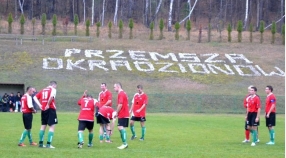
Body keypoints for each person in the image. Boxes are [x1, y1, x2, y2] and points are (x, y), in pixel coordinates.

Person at [33, 81, 58, 148]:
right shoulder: (53, 89)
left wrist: (40, 105)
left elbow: (34, 97)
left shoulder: (43, 90)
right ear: (53, 85)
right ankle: (48, 144)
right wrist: (48, 104)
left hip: (43, 109)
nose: (56, 87)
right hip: (51, 109)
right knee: (52, 126)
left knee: (43, 126)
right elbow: (51, 97)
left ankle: (41, 144)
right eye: (56, 86)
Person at [114, 82, 129, 149]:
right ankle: (124, 144)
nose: (114, 89)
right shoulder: (124, 93)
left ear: (118, 87)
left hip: (123, 113)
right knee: (122, 128)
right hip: (125, 113)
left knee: (120, 127)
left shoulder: (121, 94)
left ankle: (125, 143)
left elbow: (120, 104)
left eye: (114, 87)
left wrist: (116, 112)